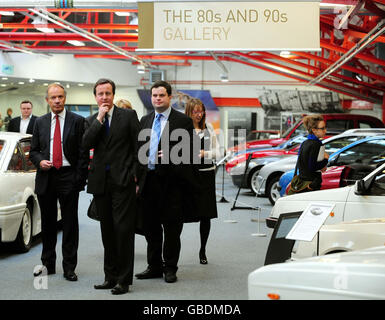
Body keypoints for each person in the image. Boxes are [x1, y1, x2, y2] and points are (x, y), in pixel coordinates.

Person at [135, 80, 198, 283]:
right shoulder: (144, 120)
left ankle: (170, 268)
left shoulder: (183, 122)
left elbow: (191, 153)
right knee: (151, 229)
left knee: (172, 230)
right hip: (148, 182)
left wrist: (172, 154)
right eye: (154, 95)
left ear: (169, 97)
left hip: (172, 184)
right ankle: (154, 266)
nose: (158, 99)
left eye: (161, 95)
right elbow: (138, 152)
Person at [83, 78, 140, 295]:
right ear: (95, 96)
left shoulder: (128, 116)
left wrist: (135, 176)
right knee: (107, 231)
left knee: (123, 231)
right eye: (100, 94)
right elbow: (86, 144)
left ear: (113, 95)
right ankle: (110, 276)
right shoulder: (90, 121)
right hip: (100, 183)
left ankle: (123, 280)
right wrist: (99, 118)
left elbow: (138, 148)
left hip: (123, 181)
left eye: (108, 93)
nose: (104, 97)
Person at [30, 83, 88, 282]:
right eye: (53, 97)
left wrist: (79, 178)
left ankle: (69, 267)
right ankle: (47, 264)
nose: (57, 100)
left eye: (60, 97)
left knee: (70, 224)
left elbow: (83, 153)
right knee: (47, 223)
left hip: (68, 176)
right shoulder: (40, 122)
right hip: (46, 176)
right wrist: (40, 161)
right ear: (47, 100)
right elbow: (34, 150)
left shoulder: (78, 121)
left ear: (65, 98)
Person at [184, 98, 220, 265]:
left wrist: (205, 154)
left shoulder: (209, 128)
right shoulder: (183, 128)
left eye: (201, 111)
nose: (199, 115)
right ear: (189, 112)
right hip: (188, 177)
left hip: (206, 176)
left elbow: (218, 152)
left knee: (206, 216)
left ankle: (202, 250)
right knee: (181, 214)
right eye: (195, 111)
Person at [290, 114, 329, 193]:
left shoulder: (305, 142)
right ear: (314, 130)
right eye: (322, 128)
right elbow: (313, 167)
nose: (325, 130)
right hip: (311, 184)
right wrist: (326, 159)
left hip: (302, 182)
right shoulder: (317, 144)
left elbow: (302, 164)